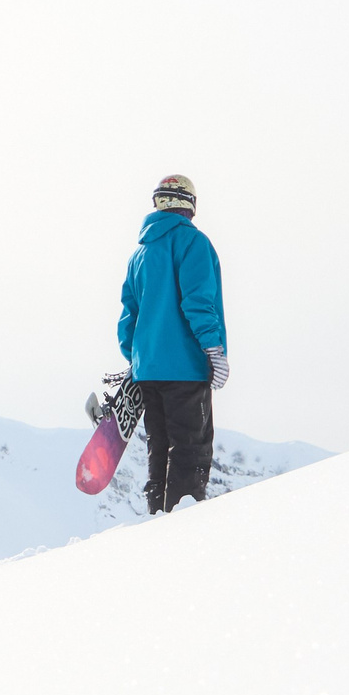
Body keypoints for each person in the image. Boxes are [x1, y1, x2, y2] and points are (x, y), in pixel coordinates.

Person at [116, 174, 226, 514]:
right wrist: (213, 350)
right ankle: (182, 528)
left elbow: (128, 317)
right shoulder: (193, 243)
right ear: (190, 205)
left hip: (148, 370)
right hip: (185, 368)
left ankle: (157, 519)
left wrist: (136, 358)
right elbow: (198, 301)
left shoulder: (139, 255)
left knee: (159, 449)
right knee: (190, 451)